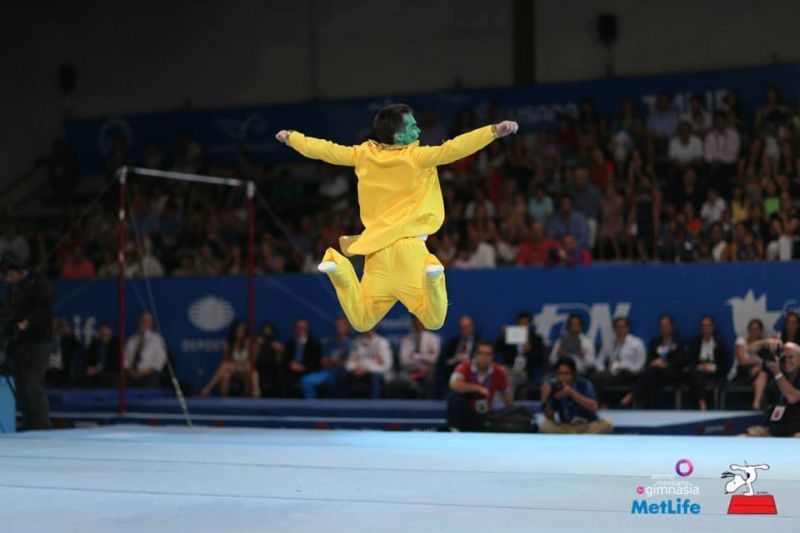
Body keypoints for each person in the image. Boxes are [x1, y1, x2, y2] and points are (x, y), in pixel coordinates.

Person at [276, 105, 519, 333]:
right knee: (434, 320)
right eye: (412, 126)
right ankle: (432, 276)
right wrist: (493, 131)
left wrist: (292, 138)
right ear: (399, 137)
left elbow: (326, 150)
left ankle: (338, 267)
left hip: (377, 253)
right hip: (410, 251)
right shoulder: (417, 157)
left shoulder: (364, 154)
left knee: (361, 321)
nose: (419, 130)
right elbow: (455, 148)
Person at [2, 252, 53, 429]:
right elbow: (9, 311)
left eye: (11, 275)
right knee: (22, 387)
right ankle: (29, 426)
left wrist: (28, 321)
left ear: (19, 270)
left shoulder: (38, 281)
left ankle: (43, 426)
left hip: (39, 341)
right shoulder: (12, 289)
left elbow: (45, 307)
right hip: (19, 342)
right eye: (6, 277)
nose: (9, 280)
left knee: (33, 386)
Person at [446, 340, 513, 431]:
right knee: (455, 397)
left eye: (488, 354)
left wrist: (511, 413)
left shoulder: (499, 371)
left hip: (485, 414)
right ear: (475, 355)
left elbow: (506, 395)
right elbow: (454, 384)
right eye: (481, 353)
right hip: (466, 414)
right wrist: (477, 388)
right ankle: (454, 430)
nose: (484, 357)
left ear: (492, 356)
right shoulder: (464, 367)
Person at [621, 315, 685, 408]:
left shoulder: (678, 343)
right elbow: (648, 361)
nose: (664, 329)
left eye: (666, 326)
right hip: (655, 374)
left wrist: (665, 364)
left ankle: (632, 395)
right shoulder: (654, 342)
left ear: (671, 327)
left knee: (651, 372)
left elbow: (680, 361)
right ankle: (648, 409)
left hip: (672, 373)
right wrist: (655, 362)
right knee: (651, 377)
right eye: (662, 326)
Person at [540, 357, 613, 434]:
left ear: (573, 374)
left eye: (566, 374)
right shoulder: (555, 387)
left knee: (606, 425)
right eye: (560, 374)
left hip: (587, 426)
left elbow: (594, 407)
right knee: (545, 426)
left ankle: (578, 436)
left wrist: (572, 393)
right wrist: (545, 398)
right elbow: (550, 416)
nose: (563, 377)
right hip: (566, 427)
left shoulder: (584, 384)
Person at [745, 340, 800, 437]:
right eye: (784, 357)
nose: (786, 360)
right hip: (772, 429)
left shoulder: (777, 371)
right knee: (742, 438)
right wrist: (766, 342)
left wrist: (777, 373)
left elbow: (792, 397)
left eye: (791, 357)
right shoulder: (776, 367)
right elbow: (749, 352)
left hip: (795, 431)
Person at [592, 317, 646, 406]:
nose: (620, 330)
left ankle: (629, 399)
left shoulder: (637, 343)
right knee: (595, 377)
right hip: (613, 373)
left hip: (629, 373)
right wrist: (602, 369)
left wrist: (629, 369)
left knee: (638, 376)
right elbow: (599, 360)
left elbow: (641, 364)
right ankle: (601, 405)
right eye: (617, 327)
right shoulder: (609, 343)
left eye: (622, 327)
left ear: (627, 328)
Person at [199, 321, 258, 398]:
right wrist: (234, 365)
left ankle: (207, 389)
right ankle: (224, 399)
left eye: (242, 330)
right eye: (239, 330)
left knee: (251, 371)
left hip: (245, 367)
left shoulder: (248, 342)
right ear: (235, 331)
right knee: (225, 374)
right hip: (233, 368)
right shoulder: (229, 344)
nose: (240, 332)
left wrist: (244, 363)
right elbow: (225, 360)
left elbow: (253, 359)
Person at [385, 317, 440, 399]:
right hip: (409, 372)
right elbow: (404, 361)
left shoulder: (433, 339)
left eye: (420, 322)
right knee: (395, 383)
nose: (418, 325)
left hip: (427, 372)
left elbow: (434, 359)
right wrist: (426, 356)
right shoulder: (406, 339)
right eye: (416, 323)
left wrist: (415, 356)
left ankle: (428, 405)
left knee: (429, 380)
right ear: (412, 324)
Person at [494, 312, 545, 398]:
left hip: (524, 372)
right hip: (508, 369)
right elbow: (497, 348)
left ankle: (507, 403)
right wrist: (503, 334)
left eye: (526, 323)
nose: (523, 326)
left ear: (530, 325)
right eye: (521, 323)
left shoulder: (536, 339)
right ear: (517, 324)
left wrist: (529, 351)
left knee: (510, 379)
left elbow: (540, 360)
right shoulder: (510, 336)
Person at [684, 315, 728, 410]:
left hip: (713, 372)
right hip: (698, 371)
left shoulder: (720, 344)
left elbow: (724, 365)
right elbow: (689, 361)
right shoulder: (694, 343)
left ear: (713, 327)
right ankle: (702, 401)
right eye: (703, 326)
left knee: (701, 376)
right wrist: (699, 367)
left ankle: (702, 402)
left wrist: (713, 369)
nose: (706, 329)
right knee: (695, 374)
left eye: (708, 326)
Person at [300, 317, 351, 399]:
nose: (338, 327)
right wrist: (338, 362)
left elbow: (351, 364)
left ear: (347, 327)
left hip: (346, 375)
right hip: (329, 373)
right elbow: (324, 362)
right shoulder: (329, 343)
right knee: (306, 381)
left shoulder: (353, 344)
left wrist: (335, 362)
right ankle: (312, 405)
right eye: (337, 325)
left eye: (341, 325)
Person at [728, 319, 770, 410]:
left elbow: (768, 361)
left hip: (757, 373)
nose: (754, 331)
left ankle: (756, 404)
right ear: (748, 330)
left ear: (761, 331)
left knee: (763, 374)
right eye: (752, 329)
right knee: (761, 373)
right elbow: (743, 361)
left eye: (757, 329)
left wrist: (759, 366)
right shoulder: (741, 341)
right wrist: (759, 362)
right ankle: (759, 405)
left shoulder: (764, 345)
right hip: (741, 372)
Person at [343, 328, 392, 398]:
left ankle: (374, 404)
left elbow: (387, 365)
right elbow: (349, 364)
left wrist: (367, 369)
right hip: (359, 372)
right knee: (346, 376)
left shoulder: (382, 342)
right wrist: (355, 368)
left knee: (374, 377)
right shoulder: (357, 342)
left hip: (377, 373)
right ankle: (347, 403)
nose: (367, 329)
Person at [123, 312, 167, 388]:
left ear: (152, 323)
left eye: (147, 321)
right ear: (139, 322)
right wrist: (132, 372)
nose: (144, 323)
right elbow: (125, 361)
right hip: (131, 376)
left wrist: (142, 373)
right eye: (142, 320)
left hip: (149, 376)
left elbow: (159, 363)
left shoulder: (157, 340)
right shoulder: (132, 340)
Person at [437, 315, 478, 397]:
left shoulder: (479, 343)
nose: (465, 330)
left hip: (473, 373)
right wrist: (455, 359)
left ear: (472, 327)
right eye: (462, 328)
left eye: (467, 327)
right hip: (453, 372)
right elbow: (443, 361)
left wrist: (469, 362)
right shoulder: (453, 343)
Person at [283, 319, 322, 397]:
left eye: (303, 328)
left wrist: (303, 368)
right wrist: (290, 365)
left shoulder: (314, 344)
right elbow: (285, 360)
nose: (301, 330)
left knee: (307, 380)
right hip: (291, 371)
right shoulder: (289, 344)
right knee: (282, 376)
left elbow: (316, 362)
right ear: (294, 329)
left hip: (308, 371)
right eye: (299, 327)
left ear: (307, 329)